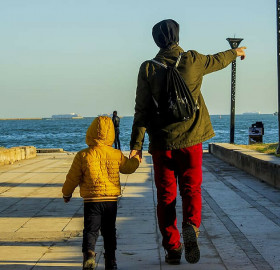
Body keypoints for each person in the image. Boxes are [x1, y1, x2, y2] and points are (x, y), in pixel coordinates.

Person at [129, 19, 246, 265]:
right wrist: (236, 52)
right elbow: (218, 59)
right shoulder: (193, 60)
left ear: (156, 40)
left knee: (165, 196)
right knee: (191, 189)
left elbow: (142, 110)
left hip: (162, 143)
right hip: (192, 140)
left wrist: (136, 147)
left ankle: (173, 248)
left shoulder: (148, 69)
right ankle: (191, 225)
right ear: (177, 35)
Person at [62, 116, 140, 270]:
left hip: (91, 201)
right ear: (111, 134)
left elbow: (72, 178)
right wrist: (136, 159)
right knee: (110, 231)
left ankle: (89, 255)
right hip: (110, 201)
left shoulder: (83, 155)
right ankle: (111, 260)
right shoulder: (115, 154)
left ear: (90, 132)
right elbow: (128, 168)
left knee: (91, 230)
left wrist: (67, 193)